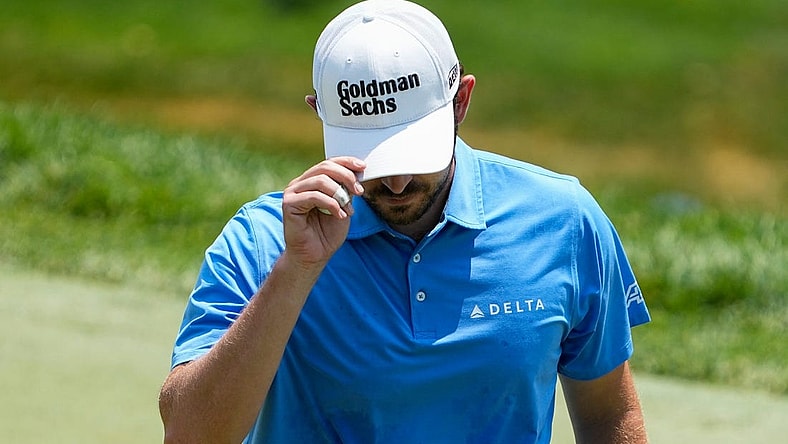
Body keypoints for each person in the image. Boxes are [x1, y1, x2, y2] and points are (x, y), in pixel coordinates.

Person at [158, 0, 651, 442]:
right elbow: (190, 435)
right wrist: (297, 269)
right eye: (369, 157)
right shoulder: (262, 241)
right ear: (318, 113)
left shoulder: (563, 221)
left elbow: (609, 414)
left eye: (413, 154)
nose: (395, 185)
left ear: (461, 101)